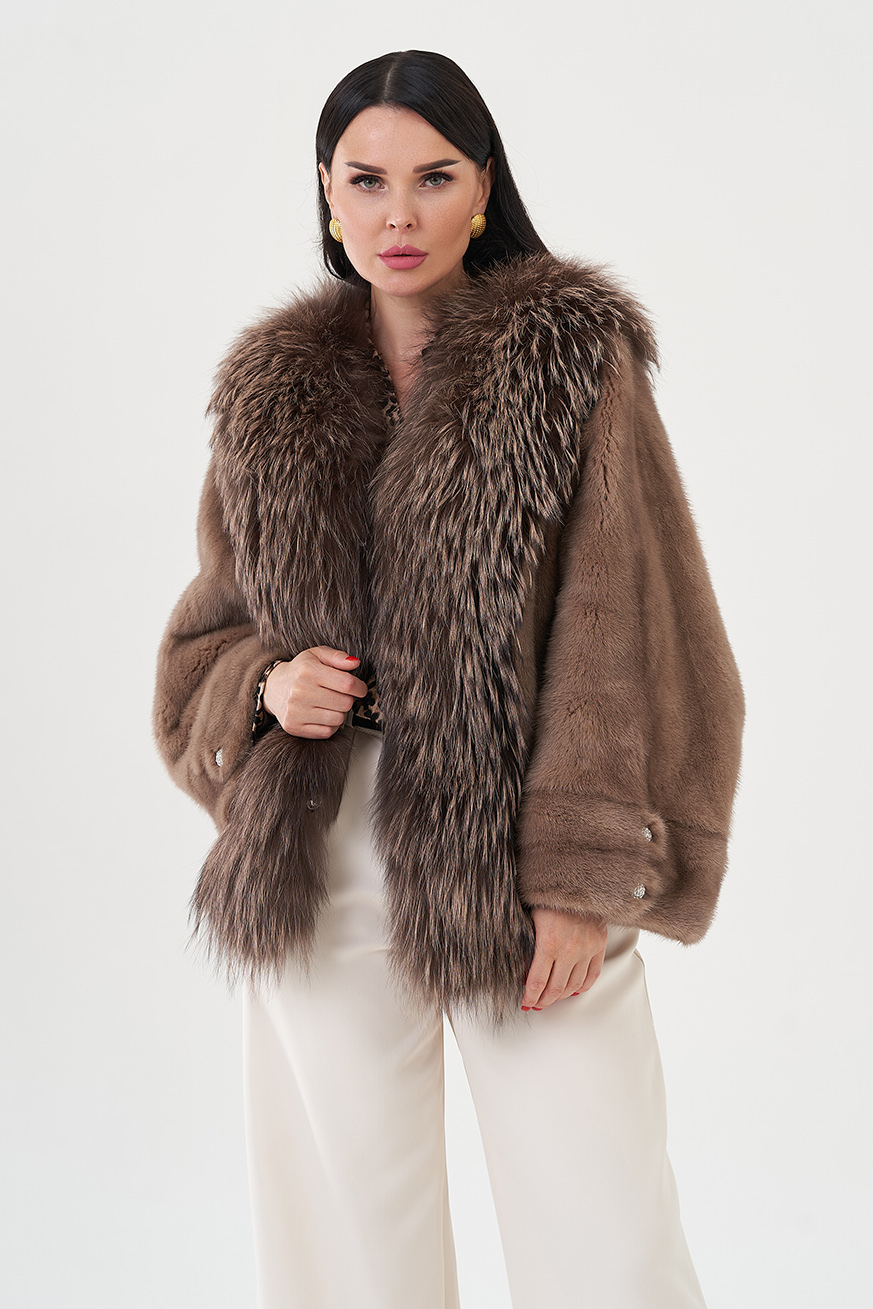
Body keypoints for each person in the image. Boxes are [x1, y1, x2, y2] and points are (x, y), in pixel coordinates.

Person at [153, 49, 745, 1309]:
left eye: (433, 178)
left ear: (483, 191)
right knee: (344, 1251)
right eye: (366, 180)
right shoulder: (268, 395)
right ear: (327, 193)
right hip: (318, 850)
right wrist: (265, 688)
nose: (398, 214)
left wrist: (579, 880)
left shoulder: (571, 363)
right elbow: (203, 640)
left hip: (526, 846)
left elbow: (632, 629)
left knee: (605, 1238)